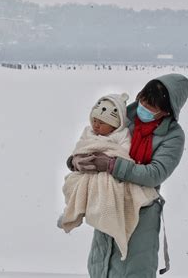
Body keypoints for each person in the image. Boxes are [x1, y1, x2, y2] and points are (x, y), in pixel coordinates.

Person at [69, 74, 188, 277]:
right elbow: (94, 142)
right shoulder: (123, 118)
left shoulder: (173, 136)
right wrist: (74, 161)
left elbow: (155, 173)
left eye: (151, 106)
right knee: (101, 266)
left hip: (141, 211)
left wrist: (111, 165)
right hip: (108, 200)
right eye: (142, 98)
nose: (142, 106)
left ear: (167, 110)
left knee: (132, 269)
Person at [58, 93, 159, 261]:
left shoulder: (122, 135)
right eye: (94, 121)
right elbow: (81, 147)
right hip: (87, 169)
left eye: (101, 123)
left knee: (107, 189)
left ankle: (109, 219)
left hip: (108, 173)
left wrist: (107, 159)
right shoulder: (89, 132)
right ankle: (71, 212)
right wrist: (77, 159)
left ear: (114, 125)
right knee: (72, 183)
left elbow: (124, 154)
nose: (96, 126)